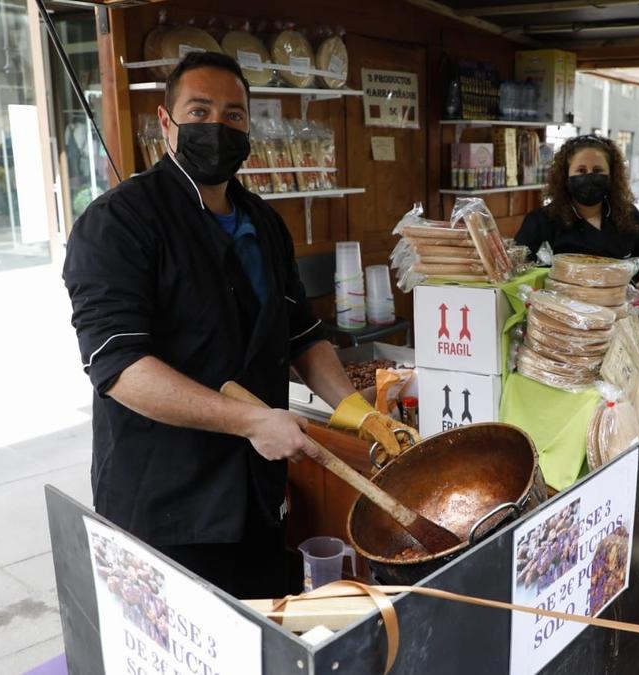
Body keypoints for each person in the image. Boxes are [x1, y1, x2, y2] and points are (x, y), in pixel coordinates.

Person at [62, 52, 416, 599]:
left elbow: (302, 334)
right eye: (198, 112)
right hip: (167, 502)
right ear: (165, 121)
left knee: (263, 630)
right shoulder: (117, 223)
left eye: (233, 116)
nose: (216, 128)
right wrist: (249, 421)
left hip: (257, 490)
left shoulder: (264, 223)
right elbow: (120, 368)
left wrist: (358, 414)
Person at [515, 134, 639, 279]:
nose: (589, 177)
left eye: (597, 170)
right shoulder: (540, 222)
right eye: (581, 171)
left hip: (615, 299)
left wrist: (621, 285)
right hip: (558, 301)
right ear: (565, 177)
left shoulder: (631, 218)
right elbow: (523, 271)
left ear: (612, 175)